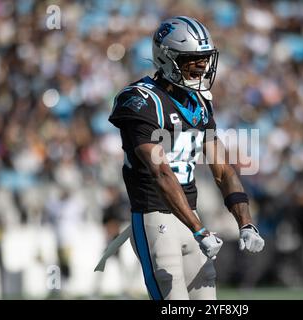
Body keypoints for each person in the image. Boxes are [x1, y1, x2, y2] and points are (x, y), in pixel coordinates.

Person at [105, 16, 265, 300]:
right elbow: (161, 173)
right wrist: (199, 229)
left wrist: (245, 222)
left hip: (191, 217)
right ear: (167, 58)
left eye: (204, 58)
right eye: (192, 58)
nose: (202, 66)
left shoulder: (199, 102)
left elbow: (223, 170)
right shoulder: (141, 100)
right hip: (156, 219)